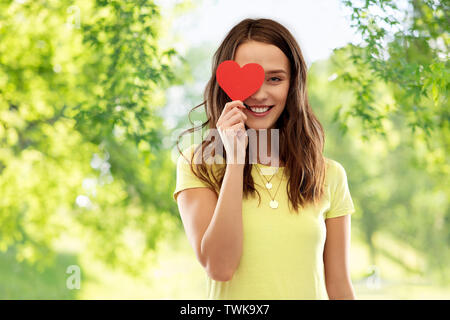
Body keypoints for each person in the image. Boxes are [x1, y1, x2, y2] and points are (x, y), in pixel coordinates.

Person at [173, 18, 356, 300]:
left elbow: (339, 286)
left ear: (293, 84)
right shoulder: (199, 164)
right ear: (225, 85)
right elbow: (220, 267)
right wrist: (235, 160)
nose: (259, 94)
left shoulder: (328, 174)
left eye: (274, 78)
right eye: (249, 79)